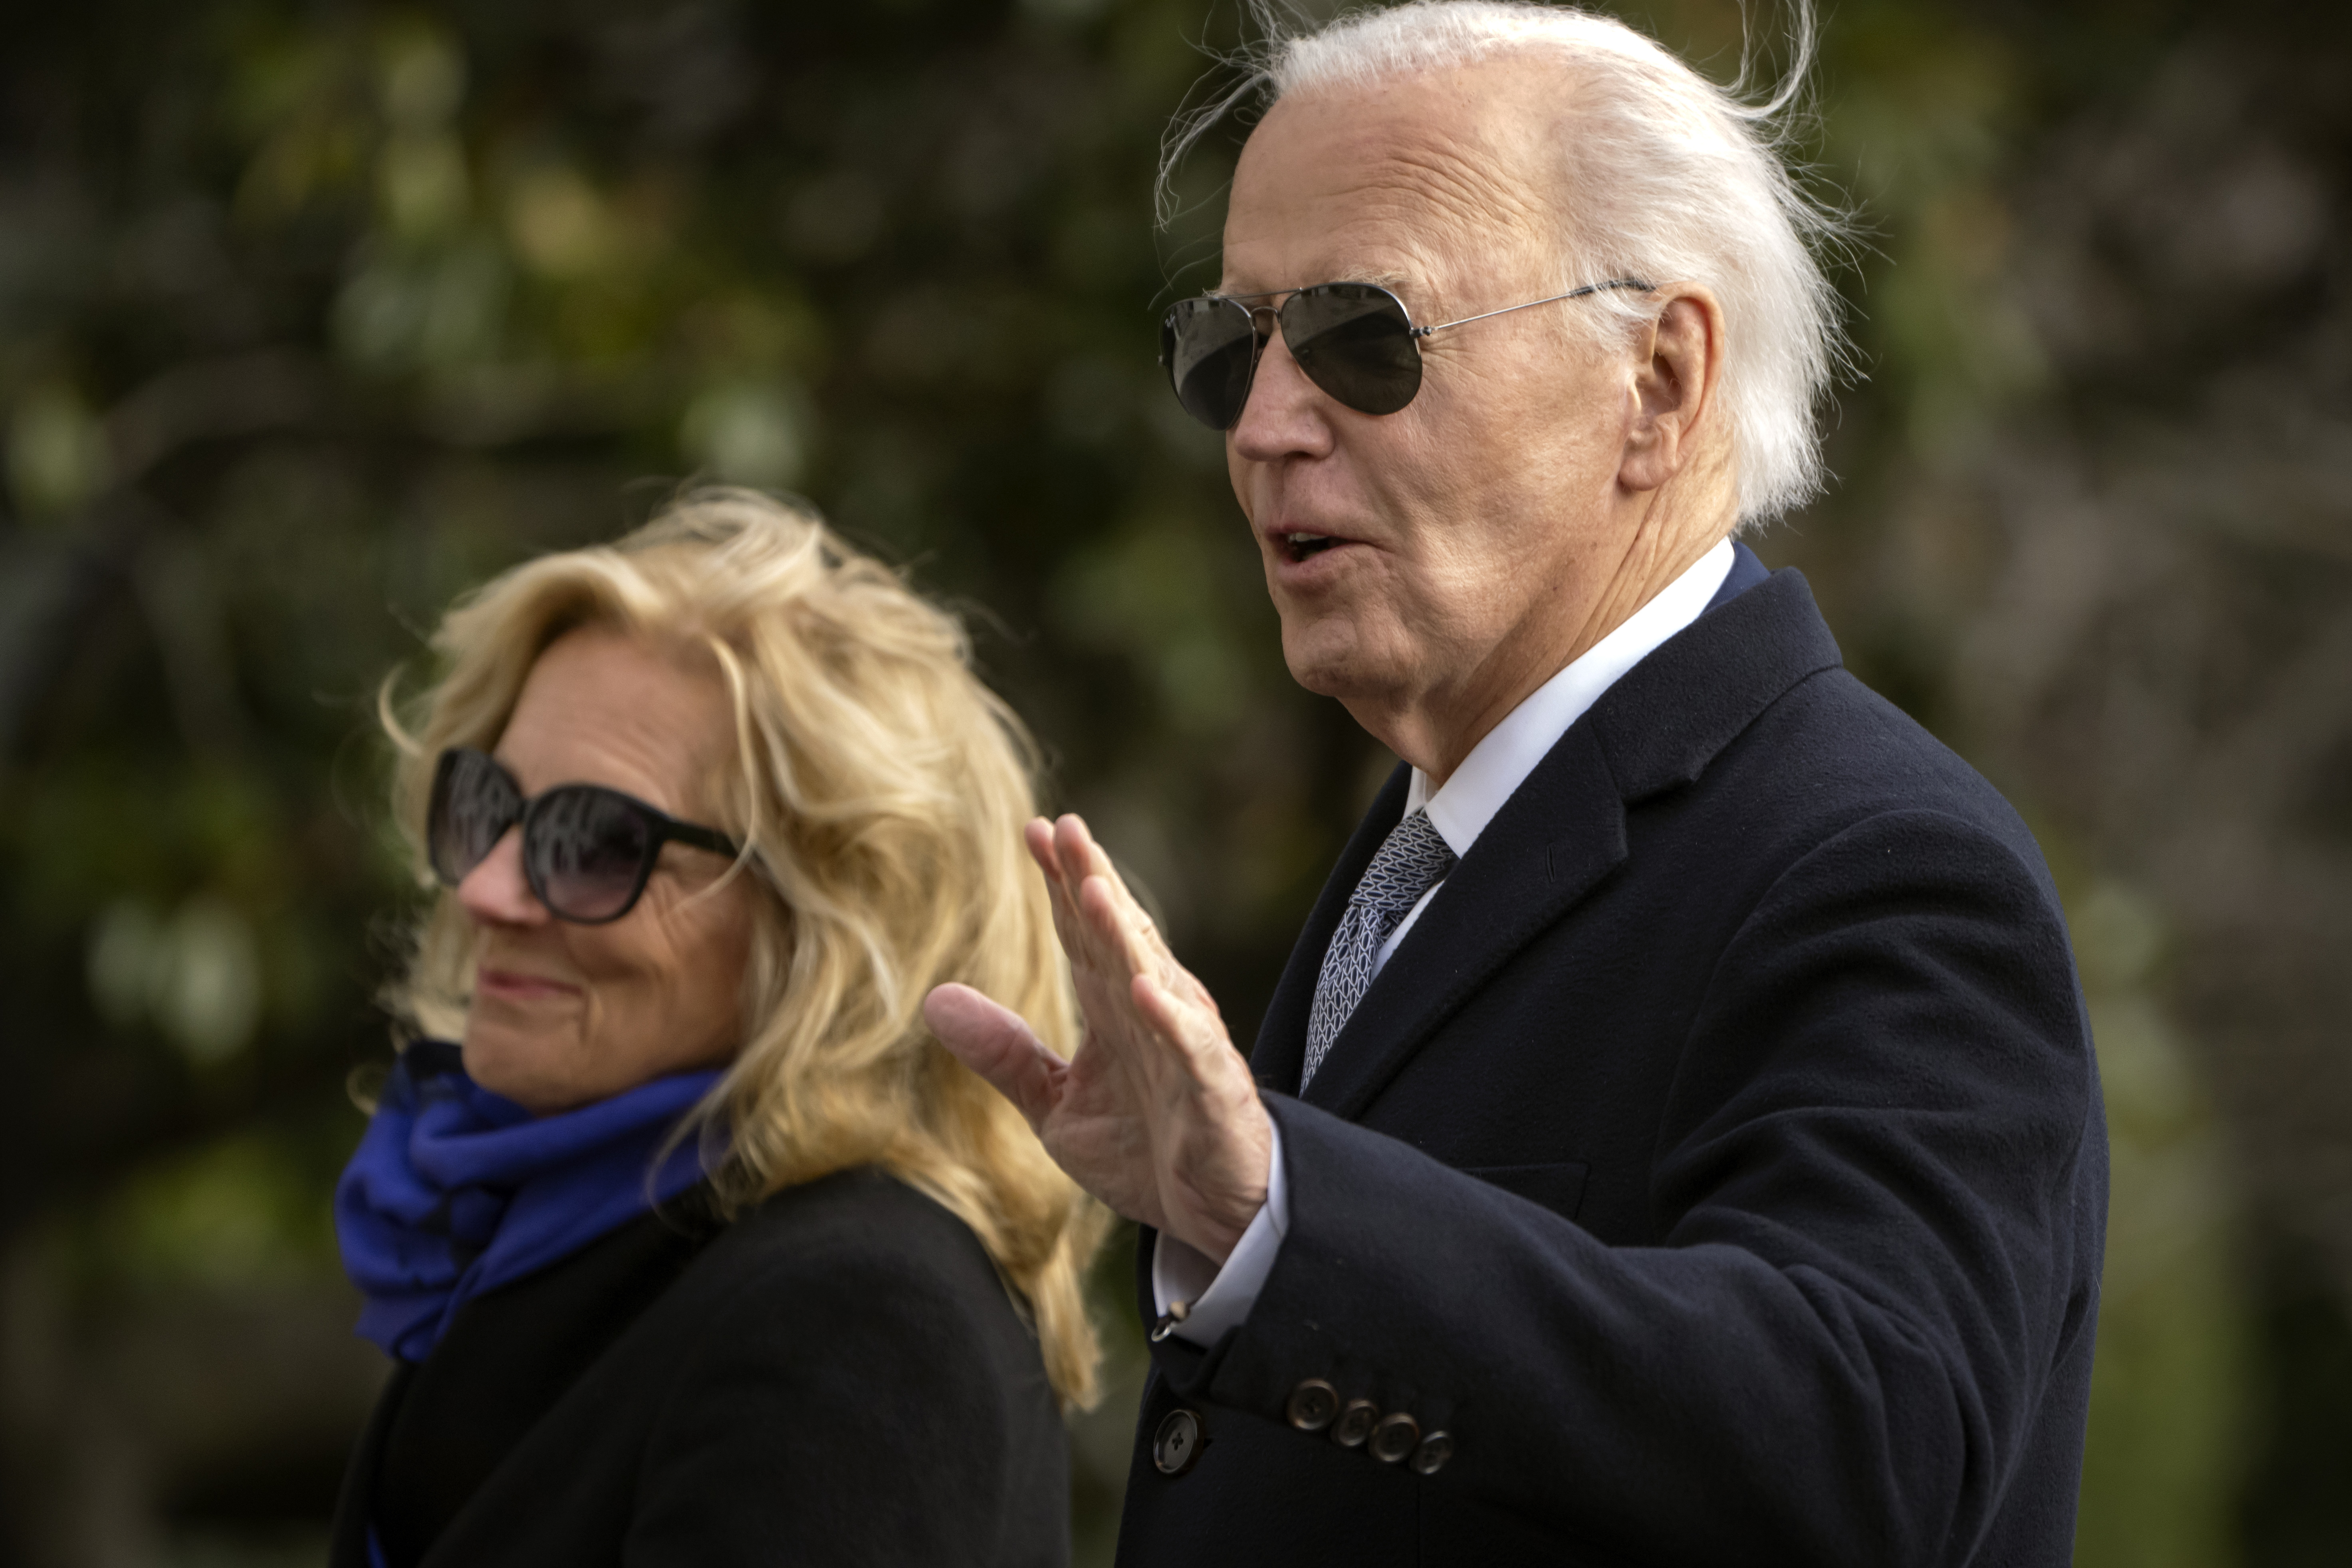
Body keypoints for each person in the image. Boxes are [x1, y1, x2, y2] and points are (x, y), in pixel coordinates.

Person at [924, 4, 2106, 1566]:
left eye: (1364, 337)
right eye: (1234, 348)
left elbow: (1869, 1452)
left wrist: (1291, 1211)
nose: (1271, 425)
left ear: (1660, 382)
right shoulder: (1431, 835)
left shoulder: (1877, 860)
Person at [329, 488, 1104, 1568]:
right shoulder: (562, 1239)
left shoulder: (858, 1321)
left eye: (595, 842)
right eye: (486, 807)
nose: (488, 891)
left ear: (826, 926)